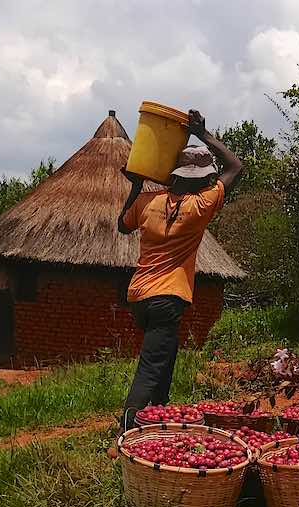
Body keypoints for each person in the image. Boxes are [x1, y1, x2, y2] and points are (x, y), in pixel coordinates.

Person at [117, 109, 242, 433]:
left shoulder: (148, 202)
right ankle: (128, 428)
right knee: (150, 367)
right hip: (168, 297)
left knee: (165, 358)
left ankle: (157, 422)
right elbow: (236, 167)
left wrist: (137, 185)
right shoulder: (201, 206)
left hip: (139, 297)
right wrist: (203, 133)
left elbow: (122, 225)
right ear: (203, 180)